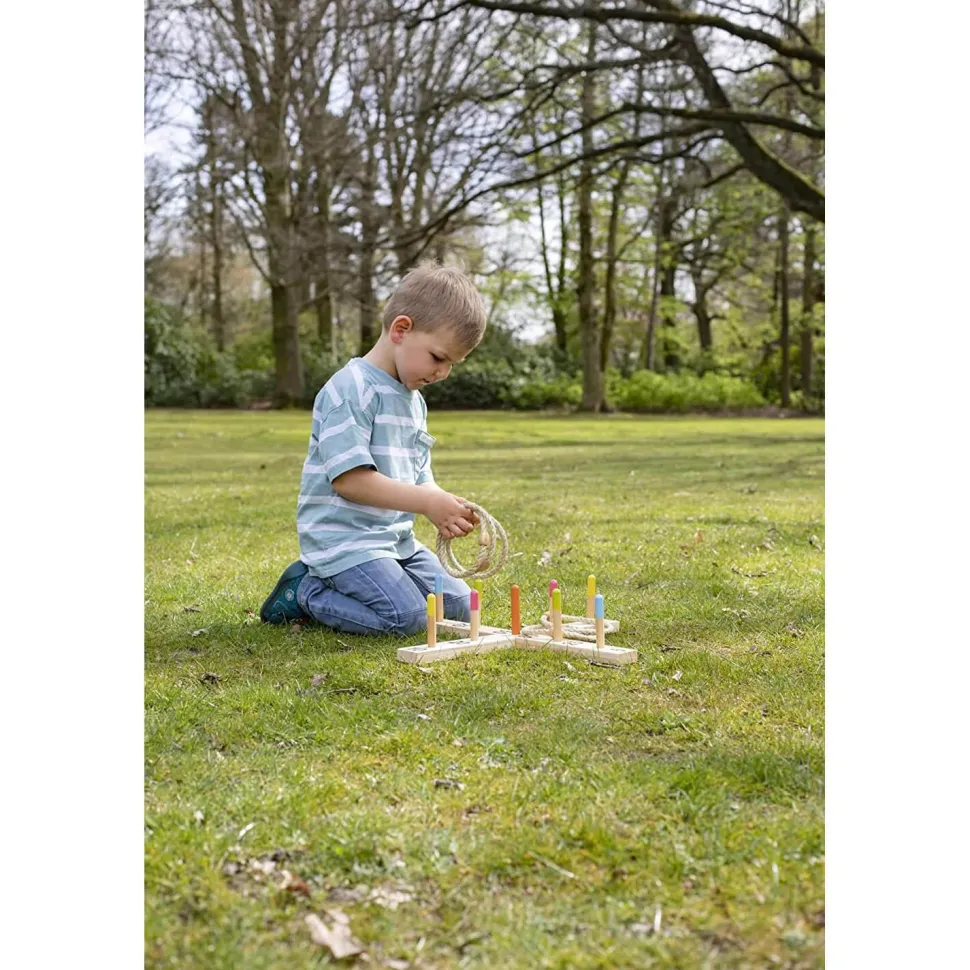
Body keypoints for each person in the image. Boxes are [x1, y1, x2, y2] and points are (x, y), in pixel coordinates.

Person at [259, 262, 487, 636]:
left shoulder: (415, 402)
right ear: (401, 329)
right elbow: (351, 482)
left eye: (452, 364)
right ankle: (306, 591)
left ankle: (374, 584)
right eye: (438, 357)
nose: (443, 373)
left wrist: (441, 503)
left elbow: (420, 476)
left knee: (459, 607)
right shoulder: (351, 388)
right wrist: (425, 503)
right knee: (407, 617)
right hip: (345, 544)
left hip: (396, 542)